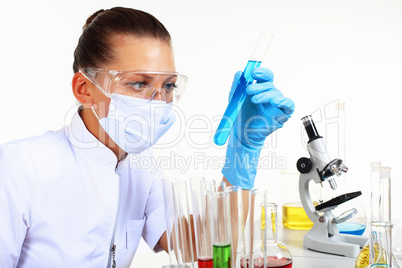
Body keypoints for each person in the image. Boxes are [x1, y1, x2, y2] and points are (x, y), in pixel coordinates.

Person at [0, 7, 294, 268]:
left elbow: (200, 246)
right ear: (84, 89)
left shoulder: (141, 165)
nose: (158, 101)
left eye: (168, 85)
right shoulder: (22, 166)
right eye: (139, 83)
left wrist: (243, 149)